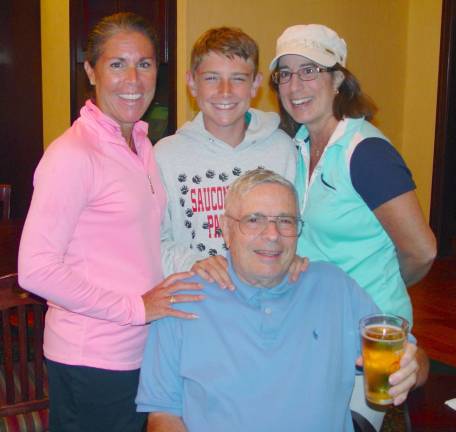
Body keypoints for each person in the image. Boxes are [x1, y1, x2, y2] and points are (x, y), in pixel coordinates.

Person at [18, 12, 203, 432]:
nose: (133, 79)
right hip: (92, 359)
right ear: (90, 70)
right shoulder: (73, 154)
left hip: (142, 350)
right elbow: (36, 269)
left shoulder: (140, 142)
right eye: (116, 64)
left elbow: (142, 244)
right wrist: (135, 308)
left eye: (145, 63)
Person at [136, 169, 421, 432]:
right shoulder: (183, 299)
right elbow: (163, 414)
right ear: (226, 229)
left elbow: (412, 359)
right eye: (254, 220)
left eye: (285, 221)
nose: (272, 235)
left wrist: (412, 367)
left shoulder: (335, 287)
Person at [269, 24, 436, 430]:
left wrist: (376, 289)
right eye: (285, 74)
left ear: (338, 79)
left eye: (310, 70)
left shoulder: (366, 153)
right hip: (313, 331)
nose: (295, 85)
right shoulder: (299, 145)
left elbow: (422, 251)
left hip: (368, 344)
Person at [155, 27, 299, 287]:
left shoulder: (282, 149)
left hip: (266, 298)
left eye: (238, 79)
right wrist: (192, 262)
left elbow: (297, 228)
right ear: (191, 82)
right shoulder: (165, 155)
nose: (225, 91)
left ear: (255, 84)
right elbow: (153, 241)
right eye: (211, 78)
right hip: (199, 298)